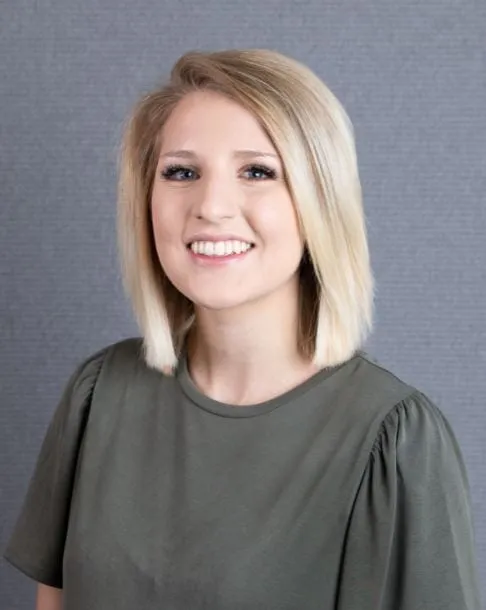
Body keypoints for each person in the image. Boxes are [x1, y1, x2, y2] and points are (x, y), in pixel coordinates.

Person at [4, 49, 481, 610]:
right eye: (182, 172)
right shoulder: (99, 393)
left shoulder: (393, 439)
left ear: (320, 199)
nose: (212, 206)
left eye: (257, 171)